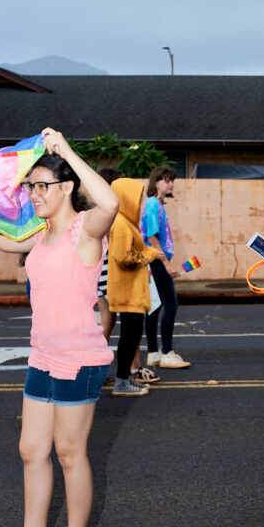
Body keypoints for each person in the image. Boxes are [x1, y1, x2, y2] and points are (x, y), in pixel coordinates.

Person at [0, 127, 119, 527]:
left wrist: (64, 150)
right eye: (30, 186)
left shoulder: (87, 231)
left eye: (42, 185)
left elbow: (110, 203)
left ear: (67, 188)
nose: (33, 193)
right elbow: (6, 243)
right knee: (31, 450)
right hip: (42, 357)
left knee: (69, 453)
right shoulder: (41, 234)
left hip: (80, 359)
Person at [95, 167, 158, 386]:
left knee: (129, 334)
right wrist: (149, 254)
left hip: (128, 289)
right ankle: (123, 377)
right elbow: (124, 256)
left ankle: (126, 376)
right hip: (126, 290)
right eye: (137, 198)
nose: (140, 204)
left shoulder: (123, 221)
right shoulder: (121, 223)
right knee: (128, 335)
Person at [141, 165, 190, 369]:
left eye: (171, 180)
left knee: (155, 306)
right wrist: (167, 264)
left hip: (154, 260)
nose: (170, 184)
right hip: (157, 260)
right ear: (156, 183)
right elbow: (152, 236)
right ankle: (167, 352)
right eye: (166, 180)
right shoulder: (153, 204)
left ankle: (153, 352)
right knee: (171, 305)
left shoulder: (157, 204)